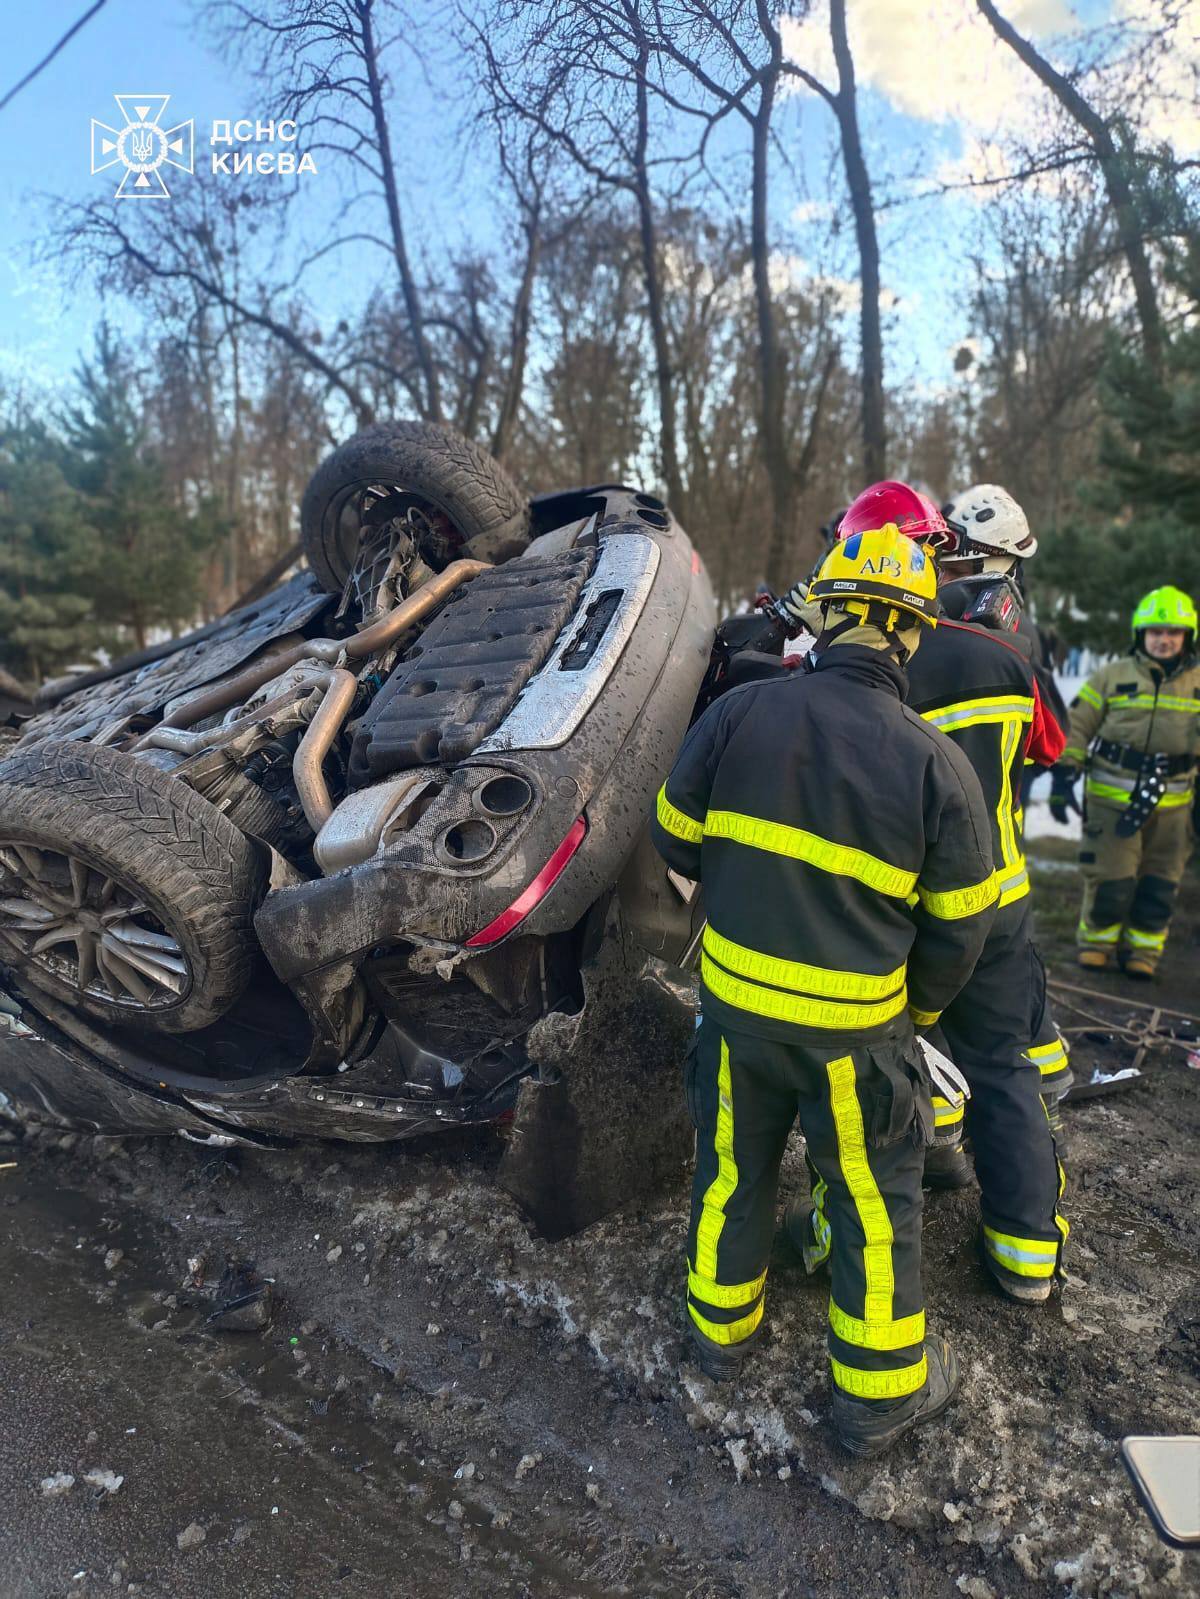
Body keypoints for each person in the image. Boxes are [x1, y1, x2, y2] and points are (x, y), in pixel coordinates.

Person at [651, 524, 997, 1457]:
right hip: (855, 1040)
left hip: (734, 1015)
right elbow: (963, 924)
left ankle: (718, 1339)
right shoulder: (935, 764)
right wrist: (912, 1010)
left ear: (832, 615)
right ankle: (878, 1398)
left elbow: (675, 834)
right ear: (913, 636)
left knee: (731, 1173)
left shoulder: (740, 713)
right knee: (873, 1204)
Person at [818, 483, 1071, 1306]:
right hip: (1000, 895)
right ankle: (1027, 1256)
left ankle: (890, 1201)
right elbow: (1046, 747)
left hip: (913, 906)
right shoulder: (1005, 656)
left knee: (888, 1059)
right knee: (1002, 1066)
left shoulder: (878, 667)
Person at [936, 484, 1073, 1105]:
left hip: (956, 864)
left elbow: (1051, 739)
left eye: (955, 554)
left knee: (969, 999)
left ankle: (947, 1120)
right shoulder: (1008, 637)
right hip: (1000, 865)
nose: (944, 564)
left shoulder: (983, 640)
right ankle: (1038, 1076)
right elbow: (1049, 742)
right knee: (1004, 991)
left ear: (986, 558)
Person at [1052, 586, 1200, 978]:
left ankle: (1142, 954)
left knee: (1159, 886)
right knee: (1111, 881)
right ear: (1140, 635)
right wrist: (1065, 773)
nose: (1164, 640)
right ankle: (1097, 945)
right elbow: (1077, 725)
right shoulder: (1112, 676)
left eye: (1173, 632)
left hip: (1175, 808)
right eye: (1155, 632)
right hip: (1110, 801)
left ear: (1187, 636)